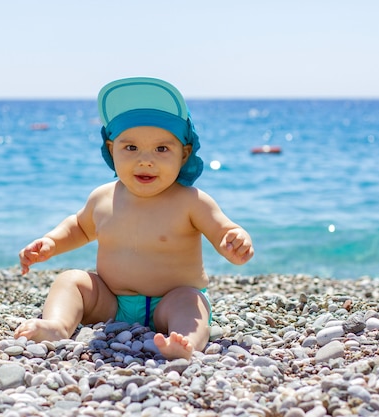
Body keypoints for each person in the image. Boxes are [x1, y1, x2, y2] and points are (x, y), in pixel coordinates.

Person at [15, 77, 254, 359]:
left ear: (184, 153)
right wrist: (51, 242)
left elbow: (222, 230)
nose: (145, 160)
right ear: (111, 148)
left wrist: (234, 242)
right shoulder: (103, 197)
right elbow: (79, 227)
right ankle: (57, 326)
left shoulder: (191, 201)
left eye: (162, 149)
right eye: (131, 148)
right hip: (112, 301)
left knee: (191, 301)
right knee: (71, 280)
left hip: (170, 300)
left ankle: (185, 342)